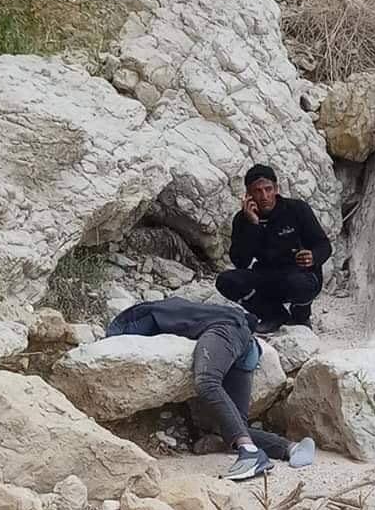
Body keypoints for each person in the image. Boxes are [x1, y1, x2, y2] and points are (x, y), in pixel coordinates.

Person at [106, 297, 316, 481]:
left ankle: (250, 453)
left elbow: (127, 343)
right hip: (245, 342)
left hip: (224, 331)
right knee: (231, 426)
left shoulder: (134, 319)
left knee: (207, 381)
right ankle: (291, 448)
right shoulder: (174, 307)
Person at [216, 164, 333, 334]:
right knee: (226, 281)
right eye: (257, 191)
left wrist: (313, 256)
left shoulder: (296, 209)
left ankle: (301, 316)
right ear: (248, 195)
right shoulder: (242, 220)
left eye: (268, 189)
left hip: (299, 274)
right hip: (267, 274)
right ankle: (274, 315)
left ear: (276, 189)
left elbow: (324, 245)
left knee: (301, 284)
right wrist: (253, 225)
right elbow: (240, 262)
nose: (264, 196)